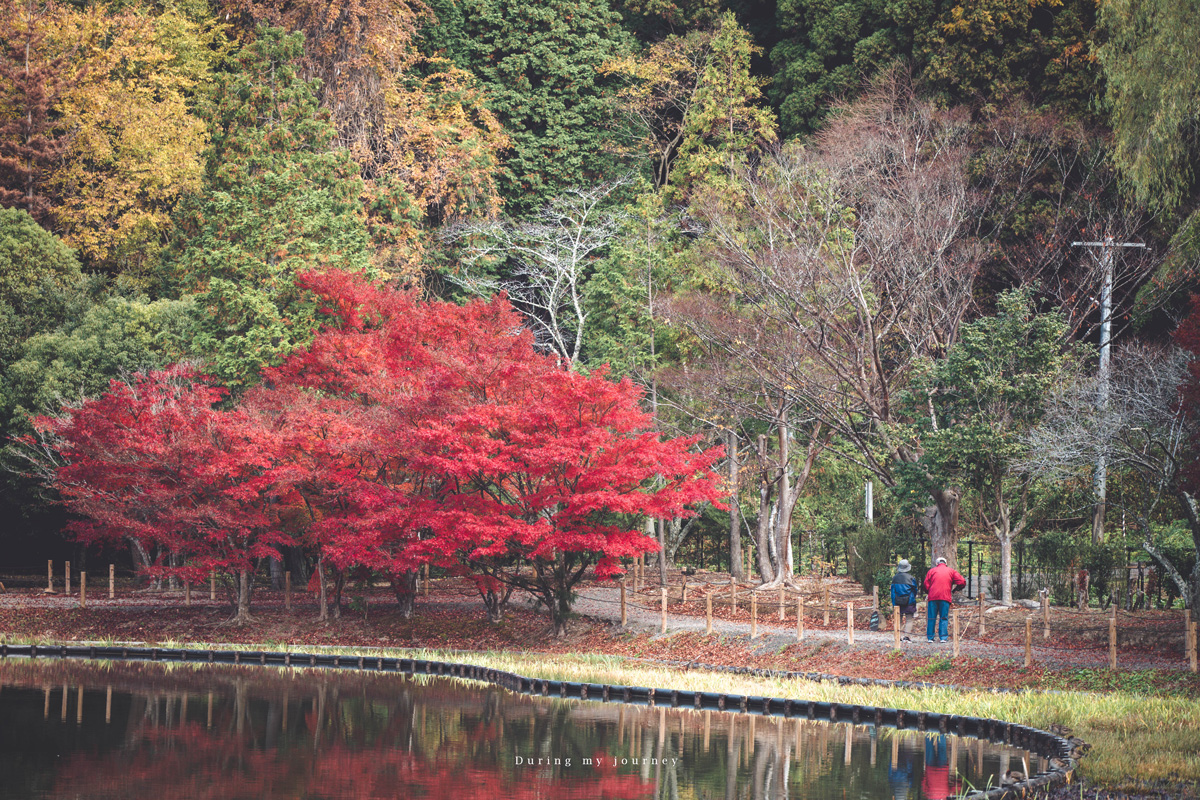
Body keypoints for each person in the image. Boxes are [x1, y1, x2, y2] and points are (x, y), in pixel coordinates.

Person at [923, 556, 965, 643]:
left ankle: (930, 637)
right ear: (946, 563)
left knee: (931, 617)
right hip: (945, 597)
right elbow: (962, 581)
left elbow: (926, 584)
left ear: (937, 563)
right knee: (944, 617)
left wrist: (929, 592)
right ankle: (943, 637)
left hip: (933, 597)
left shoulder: (931, 571)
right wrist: (956, 589)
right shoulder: (951, 571)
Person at [890, 559, 919, 641]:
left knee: (898, 619)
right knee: (909, 619)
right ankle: (907, 637)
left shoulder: (895, 578)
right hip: (909, 601)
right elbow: (915, 590)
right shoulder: (911, 578)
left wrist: (893, 603)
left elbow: (892, 591)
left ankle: (897, 637)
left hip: (897, 601)